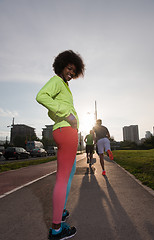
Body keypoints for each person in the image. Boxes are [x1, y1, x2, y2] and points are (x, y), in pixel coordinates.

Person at [36, 50, 85, 240]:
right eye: (69, 68)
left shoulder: (64, 85)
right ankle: (57, 228)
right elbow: (41, 96)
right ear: (62, 65)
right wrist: (67, 114)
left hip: (65, 131)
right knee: (63, 178)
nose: (71, 73)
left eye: (74, 71)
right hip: (65, 131)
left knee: (70, 172)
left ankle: (61, 210)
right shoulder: (57, 80)